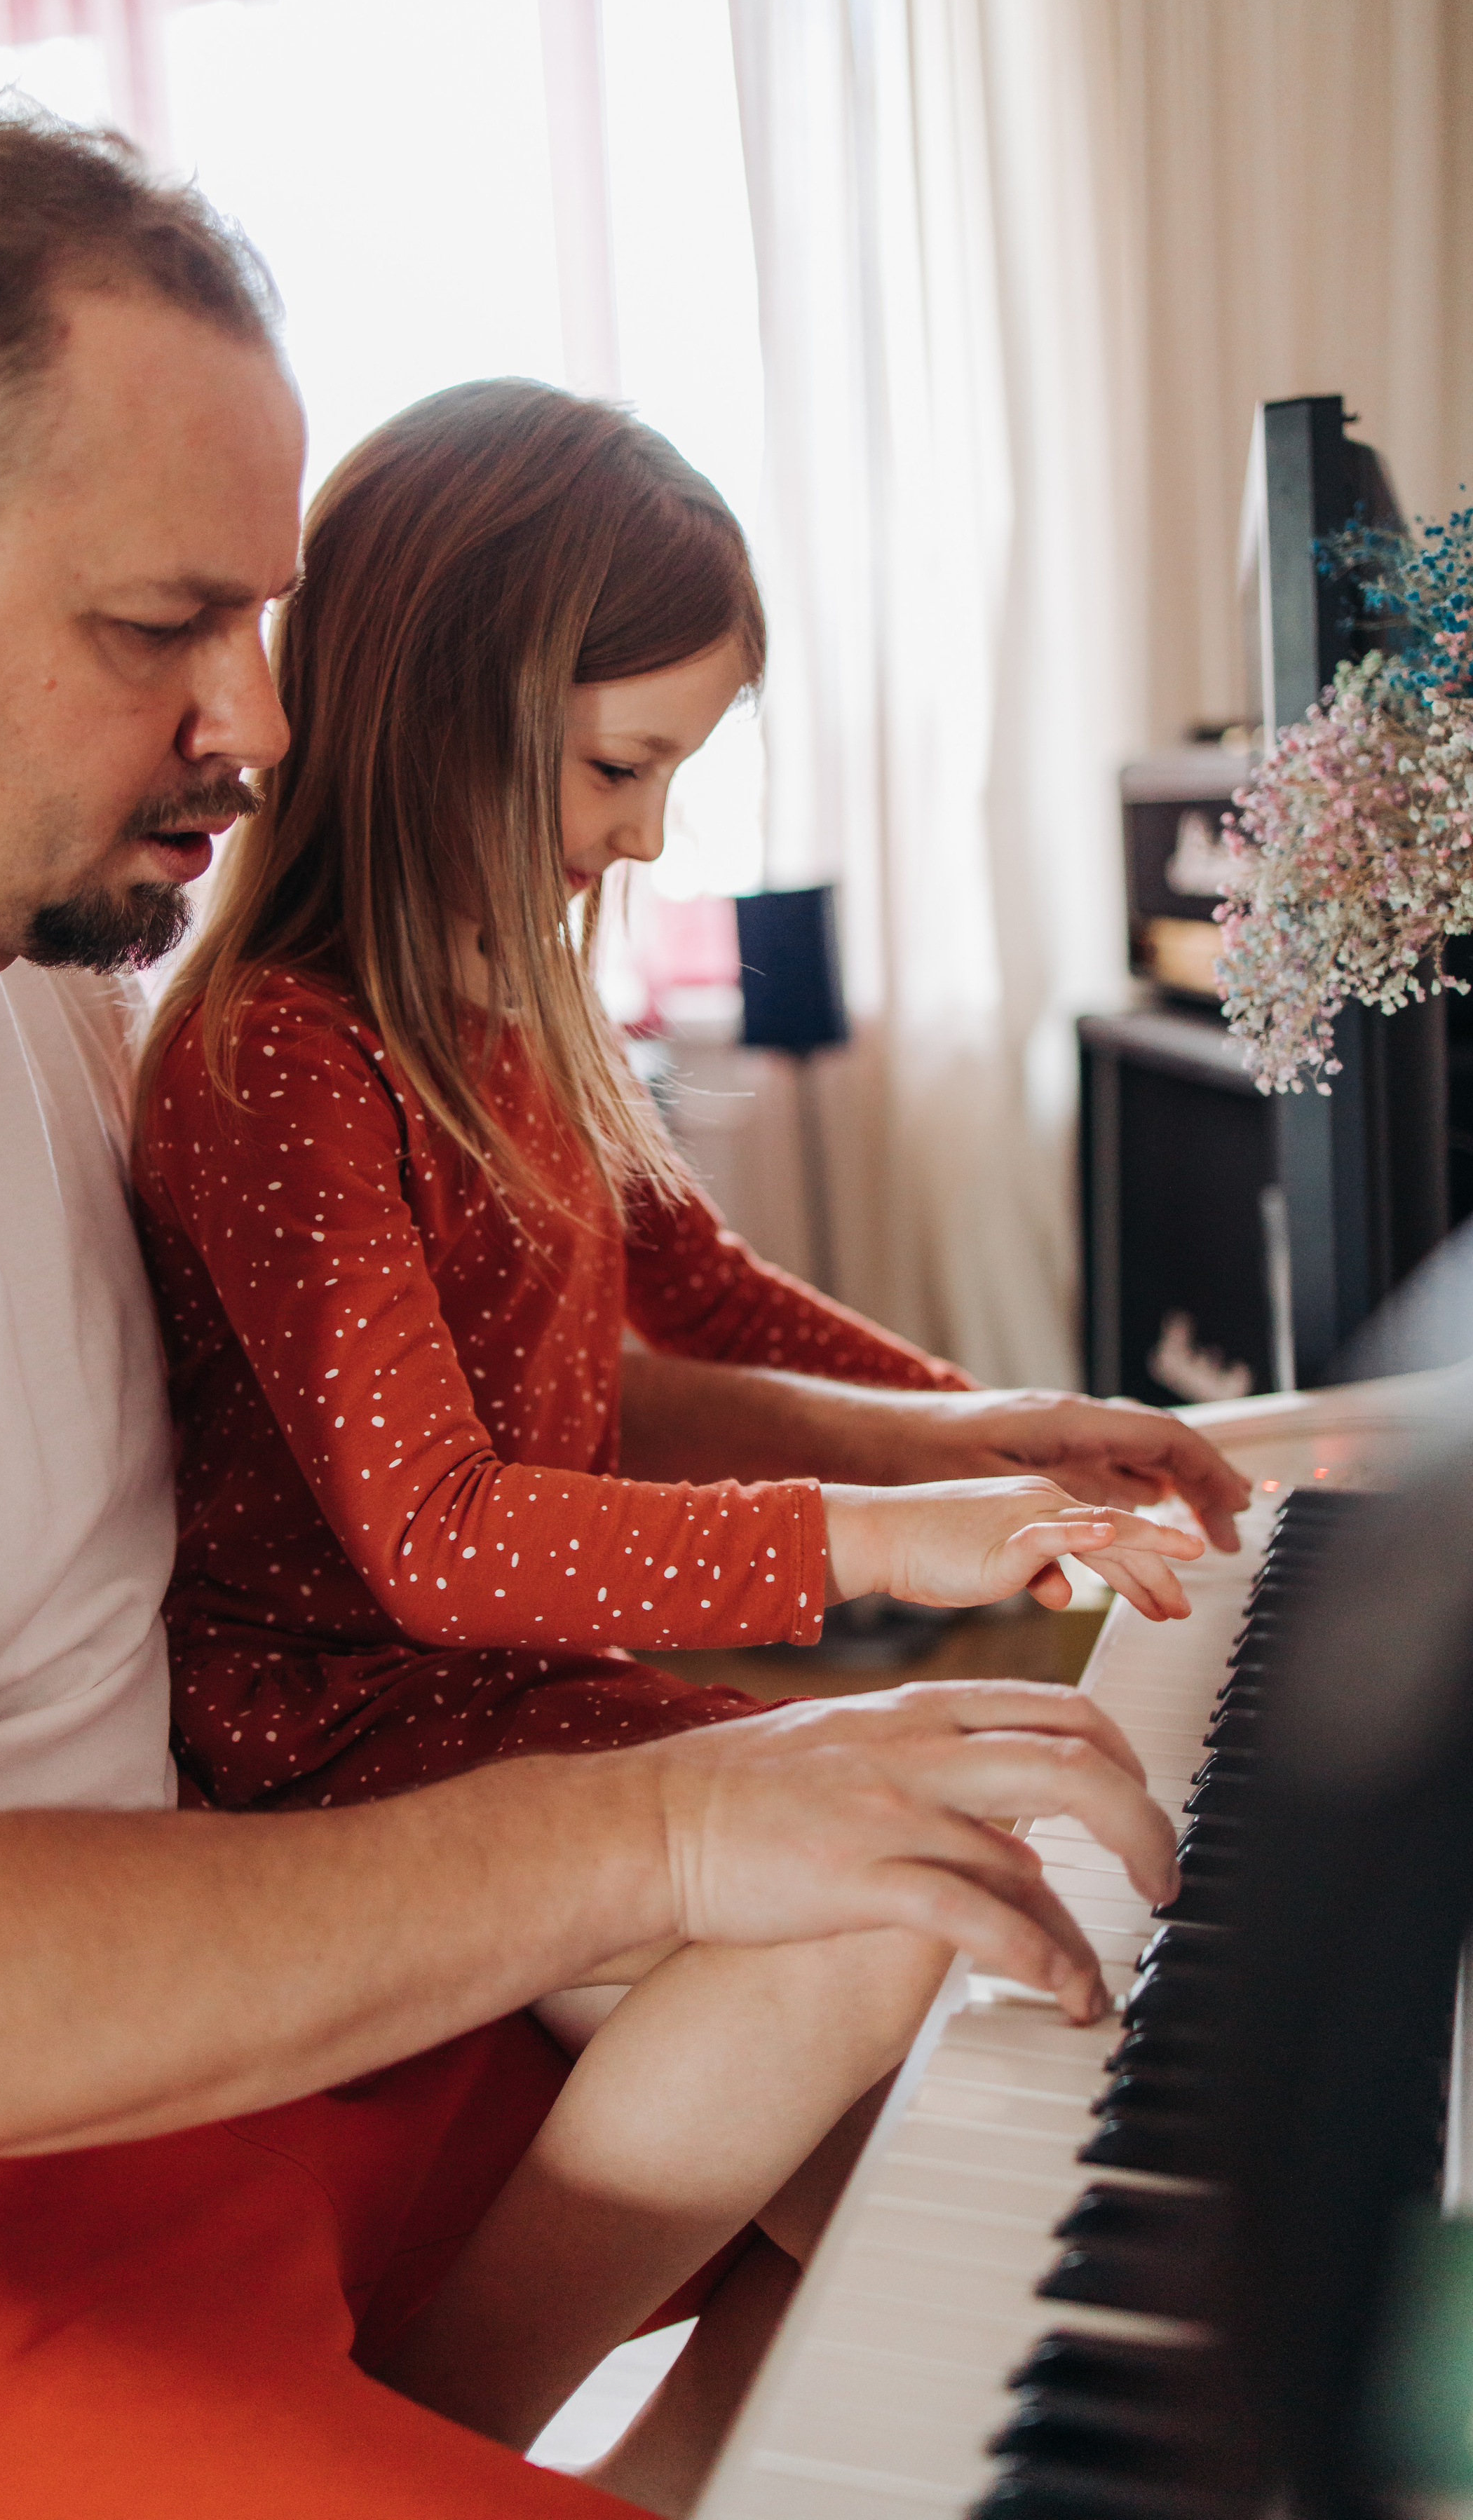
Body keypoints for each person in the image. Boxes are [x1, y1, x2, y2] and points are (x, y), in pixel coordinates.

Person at [0, 102, 1217, 2520]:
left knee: (994, 2079)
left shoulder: (64, 972)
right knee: (904, 2008)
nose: (269, 720)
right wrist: (681, 1821)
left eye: (263, 612)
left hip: (214, 1994)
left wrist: (987, 1454)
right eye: (160, 624)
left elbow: (569, 1346)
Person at [133, 381, 1237, 2463]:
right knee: (903, 1908)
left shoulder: (500, 993)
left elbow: (689, 1298)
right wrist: (896, 1547)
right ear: (447, 707)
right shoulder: (280, 1052)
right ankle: (435, 2443)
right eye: (621, 769)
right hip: (350, 1743)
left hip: (513, 1693)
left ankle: (709, 2474)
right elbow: (440, 1543)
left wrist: (1005, 1436)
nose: (646, 836)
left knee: (965, 2167)